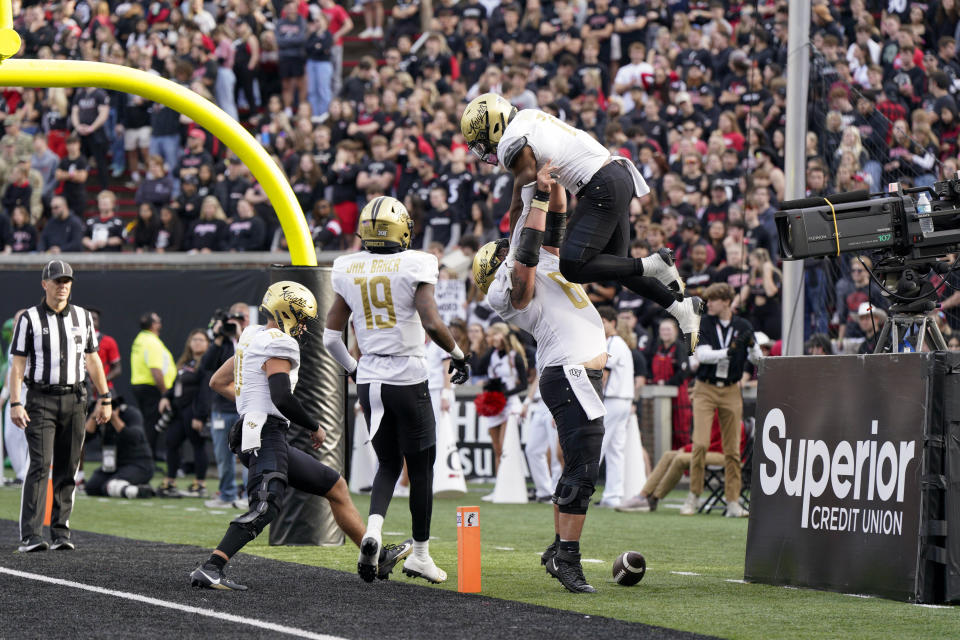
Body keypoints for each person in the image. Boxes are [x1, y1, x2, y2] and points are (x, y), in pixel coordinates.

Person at [191, 281, 411, 590]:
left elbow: (218, 381)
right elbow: (282, 397)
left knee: (335, 485)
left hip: (257, 431)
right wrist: (313, 425)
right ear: (289, 312)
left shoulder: (251, 335)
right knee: (265, 505)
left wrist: (251, 405)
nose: (304, 325)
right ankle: (212, 567)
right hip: (265, 434)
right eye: (302, 316)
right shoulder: (279, 342)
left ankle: (376, 556)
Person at [459, 93, 703, 352]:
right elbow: (549, 190)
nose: (485, 150)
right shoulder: (528, 117)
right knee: (618, 267)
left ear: (494, 126)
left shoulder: (512, 141)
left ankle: (654, 264)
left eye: (483, 141)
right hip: (616, 174)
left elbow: (521, 202)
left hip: (601, 185)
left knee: (573, 266)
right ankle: (681, 308)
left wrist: (513, 254)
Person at [473, 162, 608, 593]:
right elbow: (525, 258)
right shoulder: (506, 289)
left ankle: (557, 549)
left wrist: (557, 183)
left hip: (577, 373)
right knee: (584, 469)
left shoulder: (546, 259)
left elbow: (555, 226)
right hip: (568, 374)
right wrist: (538, 198)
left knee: (577, 465)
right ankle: (568, 559)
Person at [324, 196, 470, 584]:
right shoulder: (416, 262)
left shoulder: (348, 266)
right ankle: (420, 554)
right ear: (402, 228)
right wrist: (458, 354)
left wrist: (356, 371)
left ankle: (372, 531)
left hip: (370, 379)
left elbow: (329, 339)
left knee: (388, 464)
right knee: (421, 470)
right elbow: (432, 322)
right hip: (407, 377)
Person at [8, 260, 112, 552]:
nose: (63, 285)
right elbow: (17, 365)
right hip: (40, 398)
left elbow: (92, 359)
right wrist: (16, 401)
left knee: (69, 465)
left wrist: (105, 398)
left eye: (67, 281)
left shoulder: (82, 317)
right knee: (40, 465)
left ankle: (60, 531)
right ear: (45, 284)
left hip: (76, 398)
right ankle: (30, 534)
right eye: (57, 281)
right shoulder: (29, 319)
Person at [681, 283, 760, 518]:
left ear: (726, 301)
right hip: (705, 388)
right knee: (701, 444)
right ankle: (693, 496)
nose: (709, 304)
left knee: (733, 449)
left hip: (731, 389)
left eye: (713, 300)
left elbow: (757, 360)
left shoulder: (743, 325)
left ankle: (733, 501)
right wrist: (729, 351)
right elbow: (702, 355)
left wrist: (752, 345)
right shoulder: (704, 323)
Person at [201, 303, 250, 510]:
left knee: (249, 454)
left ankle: (250, 496)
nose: (237, 323)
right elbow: (206, 366)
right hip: (222, 408)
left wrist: (240, 336)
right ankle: (227, 493)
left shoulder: (254, 338)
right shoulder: (221, 344)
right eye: (235, 319)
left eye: (242, 318)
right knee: (223, 456)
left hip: (245, 408)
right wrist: (218, 338)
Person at [157, 330, 210, 498]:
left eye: (201, 340)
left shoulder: (206, 363)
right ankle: (170, 480)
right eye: (194, 339)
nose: (197, 342)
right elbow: (175, 384)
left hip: (193, 411)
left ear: (208, 344)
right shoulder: (187, 362)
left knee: (197, 445)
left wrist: (200, 416)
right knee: (171, 442)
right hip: (179, 410)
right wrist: (166, 397)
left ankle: (200, 484)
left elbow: (205, 391)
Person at [596, 305, 634, 509]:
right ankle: (613, 495)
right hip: (622, 399)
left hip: (613, 399)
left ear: (612, 323)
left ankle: (584, 490)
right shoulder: (615, 342)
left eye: (603, 322)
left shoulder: (614, 343)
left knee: (599, 445)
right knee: (615, 449)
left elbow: (604, 373)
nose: (601, 326)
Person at [478, 322, 527, 477]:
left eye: (491, 335)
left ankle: (509, 483)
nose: (488, 338)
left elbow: (523, 385)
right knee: (497, 448)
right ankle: (499, 486)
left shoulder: (514, 356)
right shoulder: (491, 354)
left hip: (510, 404)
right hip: (494, 405)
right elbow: (479, 368)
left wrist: (505, 394)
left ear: (501, 335)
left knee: (505, 446)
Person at [83, 397, 155, 499]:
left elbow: (134, 438)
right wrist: (94, 415)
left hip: (138, 464)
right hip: (113, 465)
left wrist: (113, 418)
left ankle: (140, 491)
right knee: (92, 487)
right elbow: (84, 438)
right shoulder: (98, 415)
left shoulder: (131, 413)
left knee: (108, 486)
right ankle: (131, 485)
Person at [129, 311, 176, 461]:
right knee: (152, 425)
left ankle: (149, 456)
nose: (160, 323)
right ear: (154, 325)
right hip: (151, 388)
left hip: (141, 385)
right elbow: (155, 370)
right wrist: (165, 394)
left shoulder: (140, 339)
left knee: (150, 424)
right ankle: (148, 459)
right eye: (158, 321)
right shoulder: (151, 341)